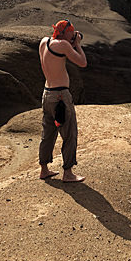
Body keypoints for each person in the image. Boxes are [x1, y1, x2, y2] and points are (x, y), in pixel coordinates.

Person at [37, 19, 87, 182]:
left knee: (48, 133)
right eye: (71, 33)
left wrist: (69, 41)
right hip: (60, 97)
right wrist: (77, 44)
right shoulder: (64, 46)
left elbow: (56, 54)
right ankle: (68, 173)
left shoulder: (44, 42)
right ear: (65, 33)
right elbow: (82, 62)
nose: (73, 36)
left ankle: (44, 169)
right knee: (69, 133)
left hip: (47, 94)